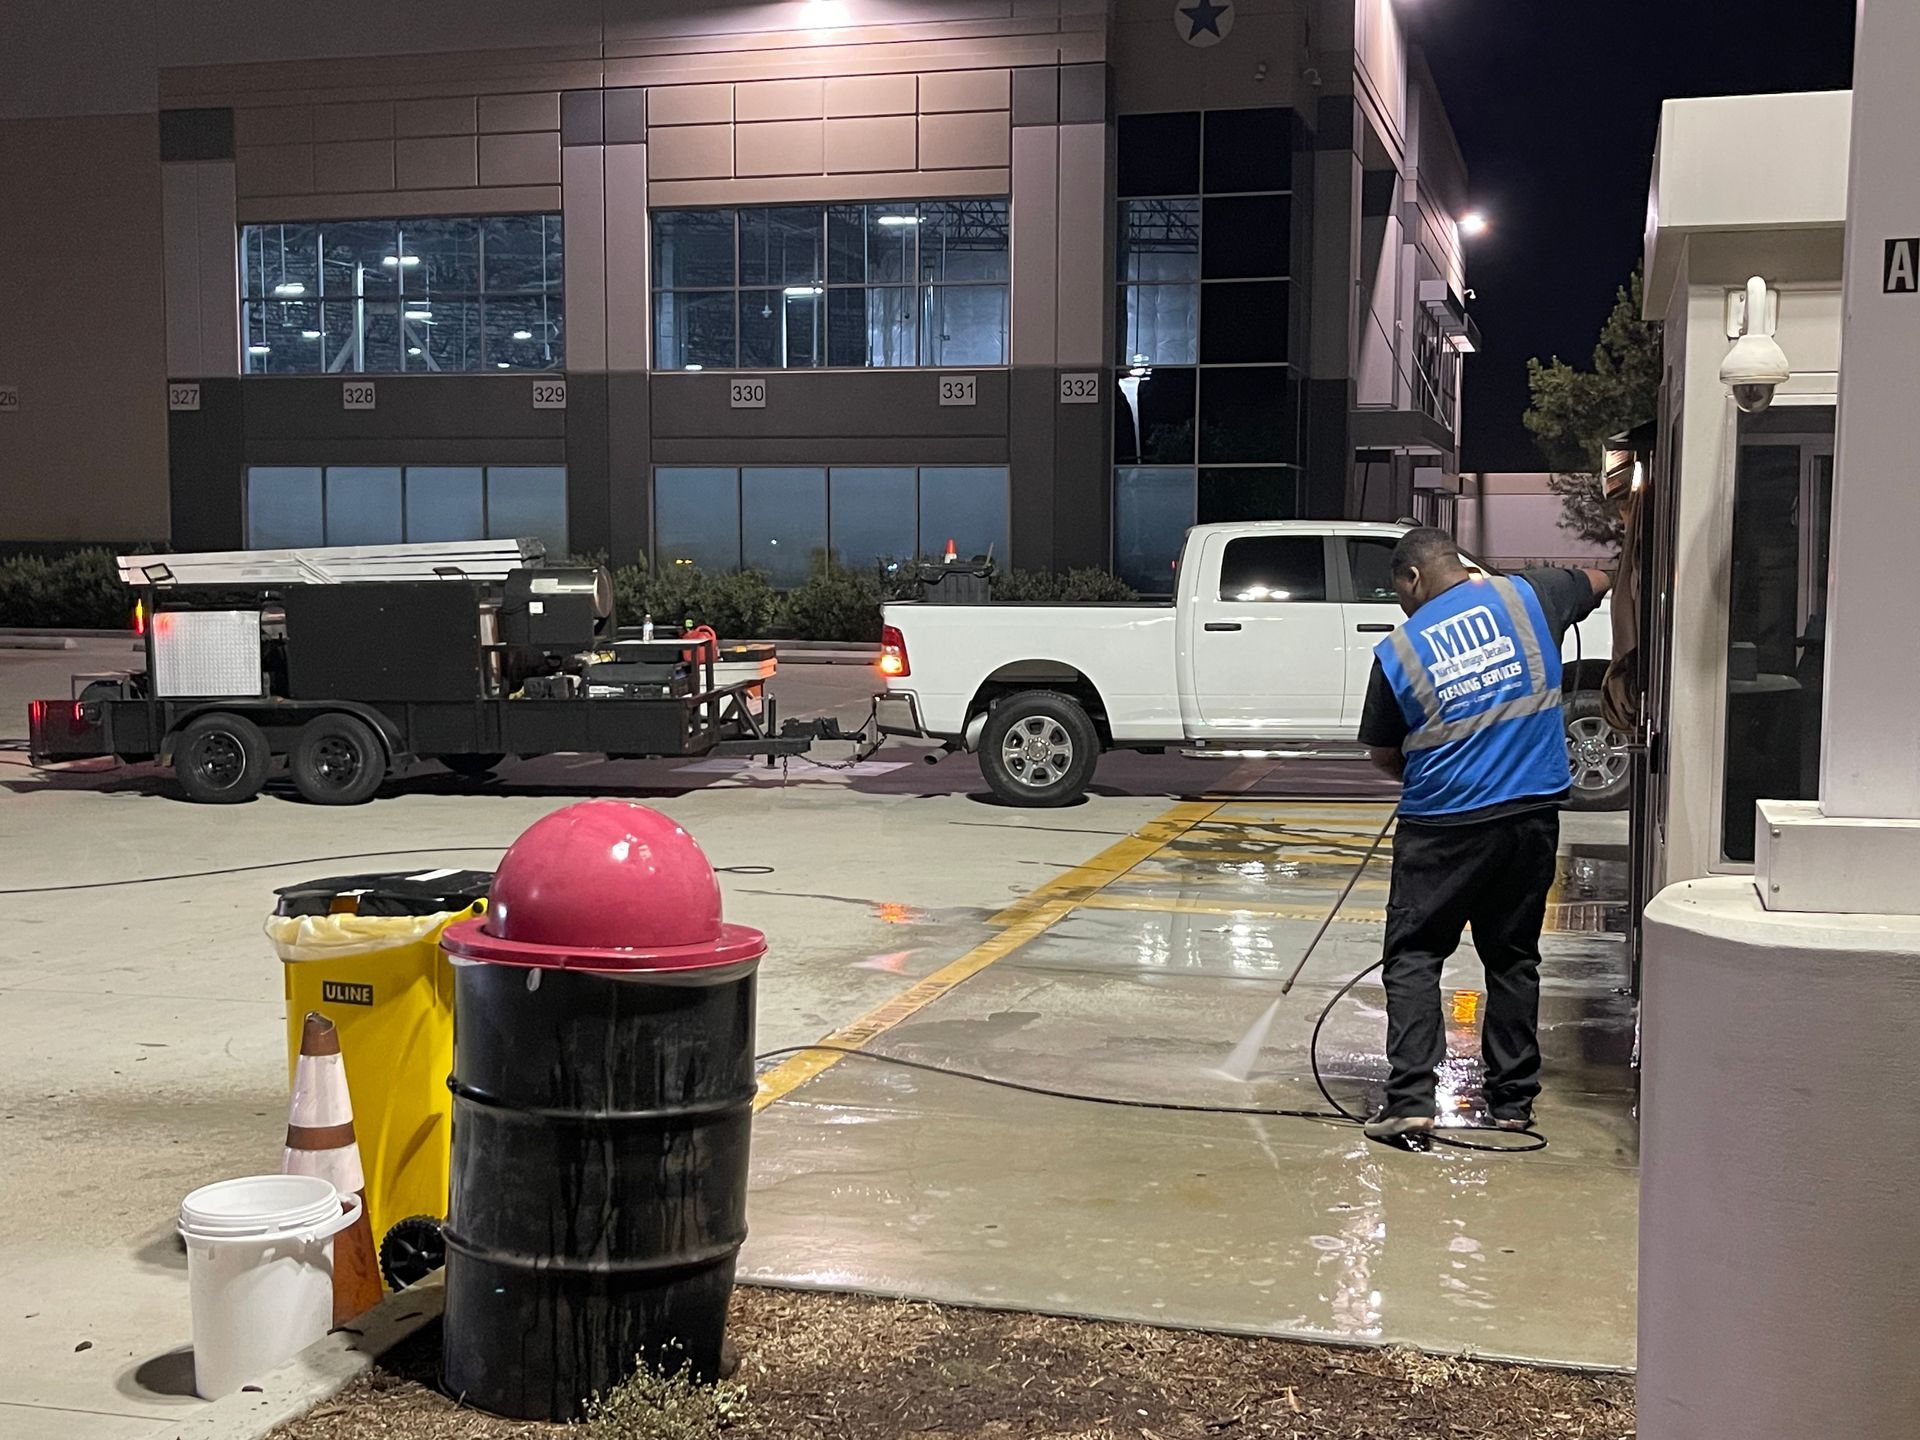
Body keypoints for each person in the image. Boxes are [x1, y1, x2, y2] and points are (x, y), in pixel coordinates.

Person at [1356, 528, 1611, 1143]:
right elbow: (1600, 580)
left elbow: (1385, 755)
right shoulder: (1530, 597)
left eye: (1399, 591)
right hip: (1529, 818)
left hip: (1442, 826)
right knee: (1513, 958)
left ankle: (1411, 1100)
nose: (1403, 605)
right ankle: (1511, 1103)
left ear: (1412, 577)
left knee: (1415, 956)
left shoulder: (1400, 651)